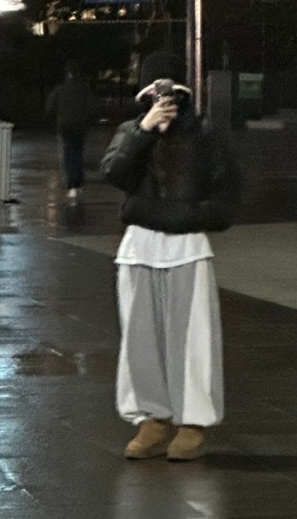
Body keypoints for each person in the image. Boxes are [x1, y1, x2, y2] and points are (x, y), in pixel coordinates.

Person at [100, 51, 241, 462]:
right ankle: (151, 418)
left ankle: (192, 422)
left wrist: (191, 216)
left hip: (186, 246)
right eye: (154, 93)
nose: (162, 100)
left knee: (193, 338)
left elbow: (228, 192)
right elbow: (113, 173)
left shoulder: (205, 134)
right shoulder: (132, 130)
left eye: (170, 93)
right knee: (138, 339)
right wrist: (143, 131)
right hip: (139, 246)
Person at [45, 63, 98, 225]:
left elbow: (50, 107)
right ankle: (78, 183)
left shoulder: (60, 89)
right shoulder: (84, 90)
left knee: (68, 154)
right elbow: (92, 108)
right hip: (80, 126)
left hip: (65, 126)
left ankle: (71, 185)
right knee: (79, 152)